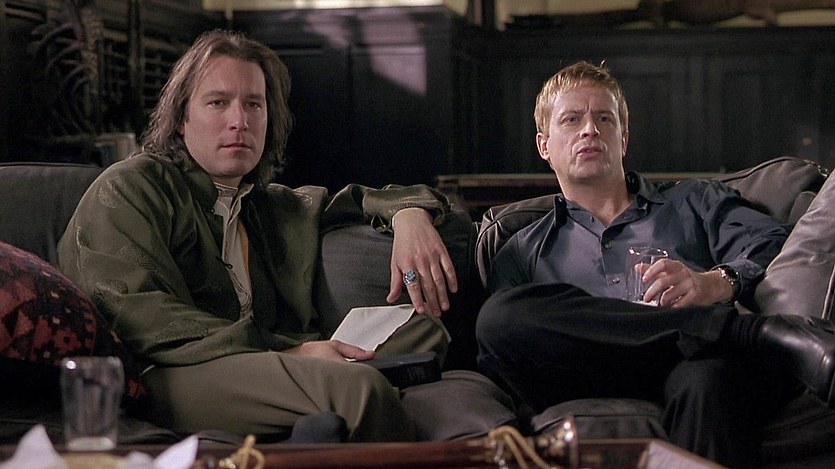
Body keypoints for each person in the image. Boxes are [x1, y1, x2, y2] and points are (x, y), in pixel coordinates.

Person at [58, 29, 460, 443]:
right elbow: (136, 314)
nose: (240, 121)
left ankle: (316, 422)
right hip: (168, 372)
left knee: (423, 332)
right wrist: (288, 350)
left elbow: (359, 200)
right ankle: (337, 402)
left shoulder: (267, 204)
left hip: (263, 361)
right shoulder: (131, 186)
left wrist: (410, 215)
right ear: (181, 118)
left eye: (253, 104)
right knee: (358, 388)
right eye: (218, 102)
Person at [475, 60, 835, 468]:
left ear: (624, 139)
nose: (590, 130)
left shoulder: (694, 201)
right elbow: (507, 352)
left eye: (604, 119)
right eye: (572, 120)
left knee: (708, 381)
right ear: (544, 146)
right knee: (498, 319)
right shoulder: (523, 248)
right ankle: (748, 332)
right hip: (582, 371)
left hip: (688, 362)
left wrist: (716, 282)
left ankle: (720, 334)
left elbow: (773, 243)